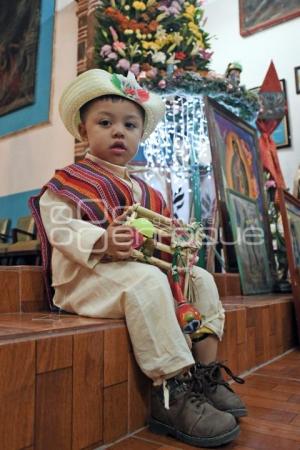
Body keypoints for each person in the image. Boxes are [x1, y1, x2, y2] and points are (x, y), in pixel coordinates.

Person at [30, 69, 246, 448]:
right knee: (146, 281)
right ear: (83, 132)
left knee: (201, 278)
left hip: (132, 275)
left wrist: (179, 247)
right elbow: (59, 229)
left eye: (130, 125)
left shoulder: (147, 190)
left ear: (140, 136)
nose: (119, 131)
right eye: (105, 122)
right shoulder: (69, 180)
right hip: (85, 281)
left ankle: (206, 375)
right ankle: (170, 391)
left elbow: (165, 237)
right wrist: (102, 240)